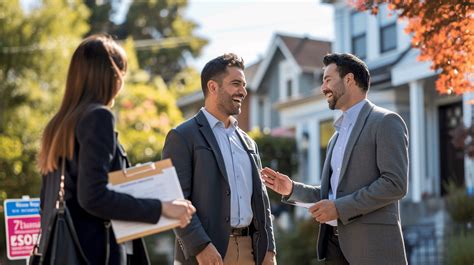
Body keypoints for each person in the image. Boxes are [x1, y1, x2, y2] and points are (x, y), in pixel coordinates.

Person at [37, 34, 195, 265]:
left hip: (61, 252)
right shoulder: (98, 117)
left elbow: (46, 202)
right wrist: (162, 208)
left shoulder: (58, 125)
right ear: (112, 75)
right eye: (122, 73)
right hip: (94, 254)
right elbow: (93, 196)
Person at [261, 53, 408, 265]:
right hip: (333, 248)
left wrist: (339, 208)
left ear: (349, 79)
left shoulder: (386, 122)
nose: (323, 88)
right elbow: (331, 194)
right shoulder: (335, 137)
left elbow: (395, 184)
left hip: (373, 250)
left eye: (328, 80)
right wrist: (291, 189)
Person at [162, 53, 276, 265]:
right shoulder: (183, 136)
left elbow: (262, 201)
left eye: (243, 85)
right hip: (205, 253)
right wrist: (200, 246)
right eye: (236, 84)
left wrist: (269, 249)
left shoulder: (249, 143)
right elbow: (174, 200)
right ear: (213, 87)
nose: (243, 91)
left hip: (251, 251)